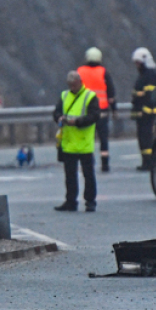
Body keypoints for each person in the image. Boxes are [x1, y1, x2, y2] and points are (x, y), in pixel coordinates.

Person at [53, 70, 100, 212]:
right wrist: (59, 118)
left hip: (84, 143)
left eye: (74, 84)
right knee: (70, 176)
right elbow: (56, 112)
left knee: (88, 175)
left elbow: (94, 116)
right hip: (69, 143)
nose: (72, 87)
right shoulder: (64, 95)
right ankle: (71, 201)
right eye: (70, 85)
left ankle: (90, 202)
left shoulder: (90, 96)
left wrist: (77, 122)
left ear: (80, 82)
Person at [77, 47, 118, 172]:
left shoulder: (80, 72)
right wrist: (114, 110)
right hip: (102, 112)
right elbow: (111, 93)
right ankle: (105, 164)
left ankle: (87, 162)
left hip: (85, 112)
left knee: (86, 139)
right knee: (103, 139)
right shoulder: (103, 72)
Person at [131, 47, 156, 171]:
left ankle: (149, 162)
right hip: (141, 113)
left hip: (147, 114)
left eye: (138, 63)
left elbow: (151, 96)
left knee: (147, 139)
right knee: (142, 138)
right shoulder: (143, 75)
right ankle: (145, 161)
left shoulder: (150, 75)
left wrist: (145, 111)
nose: (137, 66)